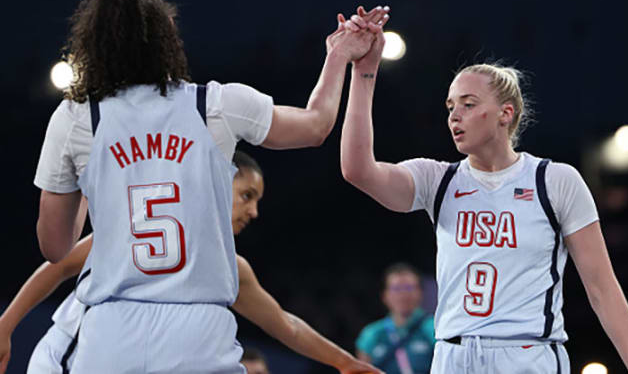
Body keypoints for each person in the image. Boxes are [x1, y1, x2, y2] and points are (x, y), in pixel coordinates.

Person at [33, 0, 388, 373]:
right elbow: (316, 125)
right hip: (198, 331)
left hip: (111, 334)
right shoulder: (214, 104)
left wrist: (91, 178)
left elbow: (55, 248)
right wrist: (339, 55)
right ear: (167, 38)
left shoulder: (77, 119)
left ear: (93, 45)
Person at [338, 12, 628, 373]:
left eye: (468, 105)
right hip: (453, 355)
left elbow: (603, 290)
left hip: (527, 353)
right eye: (451, 107)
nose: (455, 116)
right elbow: (357, 170)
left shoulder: (555, 180)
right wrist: (363, 72)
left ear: (505, 113)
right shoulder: (438, 179)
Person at [1, 151, 381, 374]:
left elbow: (285, 325)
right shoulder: (146, 224)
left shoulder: (231, 266)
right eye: (247, 195)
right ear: (214, 184)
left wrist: (345, 363)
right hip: (70, 357)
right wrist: (5, 326)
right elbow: (59, 267)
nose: (253, 211)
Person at [356, 263, 434, 374]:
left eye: (409, 288)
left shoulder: (434, 328)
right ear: (385, 295)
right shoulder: (371, 333)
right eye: (396, 288)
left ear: (420, 293)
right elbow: (362, 371)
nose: (403, 294)